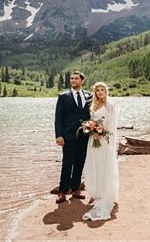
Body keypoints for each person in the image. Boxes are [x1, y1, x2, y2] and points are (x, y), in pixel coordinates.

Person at [82, 82, 119, 221]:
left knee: (104, 165)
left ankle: (105, 193)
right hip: (93, 141)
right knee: (94, 164)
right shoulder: (93, 106)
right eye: (97, 90)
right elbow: (91, 121)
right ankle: (97, 192)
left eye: (102, 90)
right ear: (95, 92)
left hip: (104, 142)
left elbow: (112, 126)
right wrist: (90, 129)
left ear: (106, 91)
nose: (100, 92)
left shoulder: (110, 106)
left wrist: (102, 133)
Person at [54, 71, 91, 203]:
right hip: (68, 136)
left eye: (76, 78)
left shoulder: (89, 96)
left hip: (84, 136)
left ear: (82, 81)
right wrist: (59, 135)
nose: (73, 80)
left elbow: (91, 115)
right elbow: (58, 118)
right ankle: (62, 191)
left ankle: (75, 189)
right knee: (67, 163)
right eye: (71, 78)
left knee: (80, 162)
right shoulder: (63, 97)